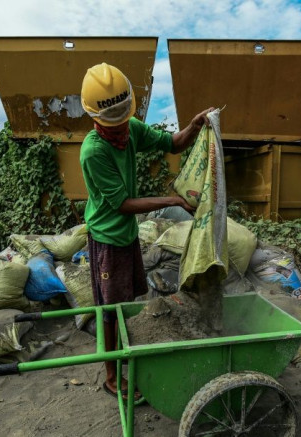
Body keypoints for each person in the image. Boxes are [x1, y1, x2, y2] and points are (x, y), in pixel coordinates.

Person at [79, 62, 213, 399]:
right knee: (110, 309)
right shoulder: (94, 151)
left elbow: (173, 143)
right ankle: (112, 376)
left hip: (125, 235)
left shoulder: (130, 128)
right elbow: (122, 203)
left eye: (124, 122)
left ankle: (128, 355)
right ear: (96, 120)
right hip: (108, 238)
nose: (121, 132)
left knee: (129, 300)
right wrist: (172, 200)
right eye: (113, 127)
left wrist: (195, 126)